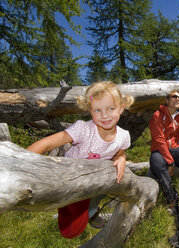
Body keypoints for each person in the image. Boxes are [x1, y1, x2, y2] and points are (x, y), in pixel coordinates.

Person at [27, 81, 134, 237]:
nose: (105, 115)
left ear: (121, 107)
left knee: (73, 229)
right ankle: (70, 209)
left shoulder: (123, 136)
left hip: (90, 182)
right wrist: (20, 161)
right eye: (98, 110)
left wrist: (121, 157)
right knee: (67, 215)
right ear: (89, 110)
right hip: (68, 176)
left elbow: (120, 151)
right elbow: (46, 143)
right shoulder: (84, 129)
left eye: (111, 108)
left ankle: (90, 212)